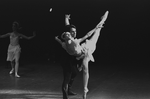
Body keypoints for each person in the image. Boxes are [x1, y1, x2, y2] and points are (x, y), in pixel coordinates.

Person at [55, 11, 109, 99]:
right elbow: (86, 34)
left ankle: (103, 19)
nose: (71, 34)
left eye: (71, 33)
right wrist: (95, 28)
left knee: (97, 32)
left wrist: (66, 19)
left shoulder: (68, 43)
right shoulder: (71, 42)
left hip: (86, 48)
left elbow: (67, 31)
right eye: (68, 34)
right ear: (65, 37)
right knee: (84, 71)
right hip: (85, 52)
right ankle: (84, 91)